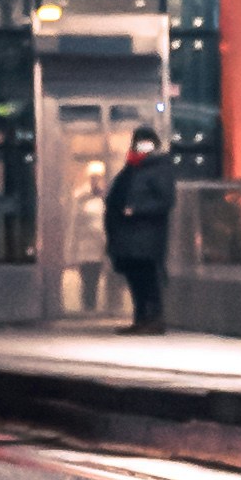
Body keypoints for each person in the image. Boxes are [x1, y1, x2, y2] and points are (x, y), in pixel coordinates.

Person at [100, 127, 177, 334]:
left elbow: (166, 201)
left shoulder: (159, 168)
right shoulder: (132, 168)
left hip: (146, 238)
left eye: (146, 141)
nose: (142, 145)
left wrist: (136, 210)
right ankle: (141, 318)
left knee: (148, 279)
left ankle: (153, 319)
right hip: (127, 238)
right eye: (139, 141)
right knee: (135, 279)